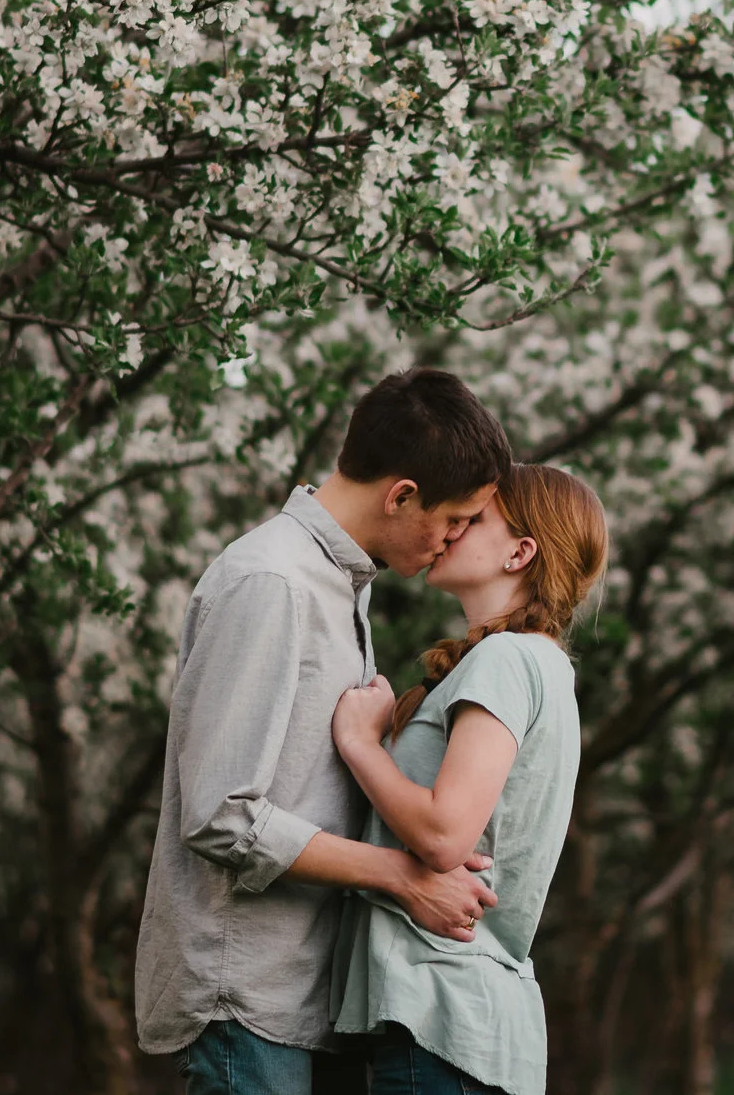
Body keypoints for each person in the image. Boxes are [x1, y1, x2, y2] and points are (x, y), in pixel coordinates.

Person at [135, 368, 514, 1095]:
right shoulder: (272, 582)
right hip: (242, 997)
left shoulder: (336, 583)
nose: (458, 538)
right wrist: (405, 878)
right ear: (402, 495)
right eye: (456, 518)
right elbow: (220, 813)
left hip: (300, 999)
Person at [328, 463, 610, 1095]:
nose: (450, 528)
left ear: (521, 552)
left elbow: (444, 835)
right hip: (459, 1025)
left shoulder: (508, 659)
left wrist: (358, 742)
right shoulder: (532, 663)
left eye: (473, 518)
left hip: (441, 1018)